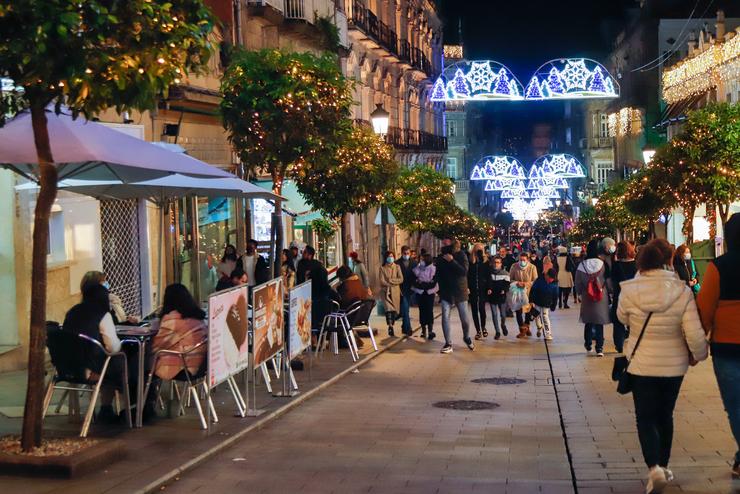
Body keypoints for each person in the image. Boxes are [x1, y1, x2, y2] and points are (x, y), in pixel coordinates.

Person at [617, 238, 708, 492]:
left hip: (641, 365)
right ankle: (663, 465)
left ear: (642, 262)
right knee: (665, 415)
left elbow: (621, 316)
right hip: (674, 366)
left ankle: (654, 467)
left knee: (645, 418)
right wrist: (699, 354)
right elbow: (693, 331)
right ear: (669, 261)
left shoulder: (630, 290)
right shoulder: (681, 291)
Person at [697, 213, 740, 479]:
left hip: (727, 346)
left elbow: (705, 306)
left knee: (736, 405)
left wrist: (697, 340)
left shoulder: (719, 266)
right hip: (726, 347)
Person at [63, 283, 128, 423]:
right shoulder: (102, 315)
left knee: (110, 362)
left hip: (67, 367)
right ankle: (125, 407)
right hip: (92, 369)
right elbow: (113, 347)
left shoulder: (72, 311)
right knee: (120, 360)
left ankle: (107, 409)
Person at [150, 283, 208, 419]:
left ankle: (144, 407)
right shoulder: (197, 316)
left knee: (143, 366)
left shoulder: (173, 319)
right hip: (200, 366)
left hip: (182, 366)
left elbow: (157, 345)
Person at [575, 239, 611, 356]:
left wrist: (579, 293)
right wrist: (609, 291)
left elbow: (578, 282)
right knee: (599, 322)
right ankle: (599, 348)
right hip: (601, 295)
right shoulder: (604, 264)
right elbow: (608, 280)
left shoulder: (582, 265)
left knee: (588, 320)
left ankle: (588, 343)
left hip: (587, 295)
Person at [436, 245, 474, 353]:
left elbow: (464, 272)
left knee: (465, 319)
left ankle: (466, 337)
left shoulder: (461, 256)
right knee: (445, 317)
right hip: (446, 292)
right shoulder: (440, 259)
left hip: (460, 291)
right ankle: (448, 343)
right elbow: (438, 274)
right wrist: (439, 290)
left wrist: (452, 261)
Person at [611, 241, 637, 353]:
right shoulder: (636, 264)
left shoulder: (616, 265)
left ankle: (619, 345)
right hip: (634, 297)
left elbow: (612, 282)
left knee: (618, 322)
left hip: (620, 296)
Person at [509, 251, 538, 338]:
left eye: (524, 260)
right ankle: (522, 329)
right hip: (517, 292)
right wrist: (517, 283)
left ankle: (527, 327)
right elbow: (510, 279)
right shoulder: (514, 266)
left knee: (527, 311)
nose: (522, 261)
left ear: (527, 260)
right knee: (518, 311)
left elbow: (535, 281)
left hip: (528, 293)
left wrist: (525, 284)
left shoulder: (532, 267)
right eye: (520, 259)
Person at [467, 243, 490, 339]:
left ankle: (483, 327)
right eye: (478, 249)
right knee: (474, 310)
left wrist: (489, 287)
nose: (479, 251)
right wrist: (467, 287)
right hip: (472, 288)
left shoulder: (485, 260)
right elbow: (467, 275)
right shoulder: (470, 260)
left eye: (481, 249)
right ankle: (478, 331)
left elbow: (488, 275)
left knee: (482, 308)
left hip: (482, 288)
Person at [412, 253, 438, 340]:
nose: (421, 261)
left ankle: (430, 330)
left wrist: (423, 284)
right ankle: (423, 330)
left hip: (429, 293)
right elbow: (415, 280)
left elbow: (433, 282)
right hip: (420, 292)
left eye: (422, 259)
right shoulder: (418, 268)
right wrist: (421, 284)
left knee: (429, 311)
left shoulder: (433, 269)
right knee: (422, 311)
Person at [529, 268, 559, 340]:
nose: (551, 280)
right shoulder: (539, 280)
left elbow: (556, 296)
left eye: (552, 278)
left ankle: (548, 334)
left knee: (545, 317)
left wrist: (553, 305)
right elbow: (533, 290)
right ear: (547, 275)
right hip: (537, 301)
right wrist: (531, 300)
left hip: (546, 303)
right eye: (550, 278)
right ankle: (539, 327)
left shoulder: (555, 284)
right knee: (536, 316)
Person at [379, 251, 403, 336]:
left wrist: (392, 281)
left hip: (395, 291)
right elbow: (381, 280)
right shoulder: (382, 268)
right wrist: (388, 284)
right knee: (388, 309)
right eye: (389, 256)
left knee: (394, 311)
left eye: (392, 256)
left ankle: (392, 323)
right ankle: (390, 326)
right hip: (385, 292)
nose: (390, 258)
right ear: (386, 258)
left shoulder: (397, 267)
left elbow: (401, 279)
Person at [396, 246, 417, 336]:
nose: (406, 255)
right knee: (405, 308)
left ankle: (404, 327)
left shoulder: (414, 263)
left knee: (405, 309)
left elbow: (417, 275)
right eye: (405, 253)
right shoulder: (397, 263)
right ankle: (408, 328)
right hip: (401, 289)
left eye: (408, 253)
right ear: (401, 253)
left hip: (411, 289)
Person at [487, 256, 509, 339]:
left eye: (498, 262)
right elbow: (488, 282)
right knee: (494, 314)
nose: (496, 264)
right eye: (495, 262)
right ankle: (497, 332)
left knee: (503, 314)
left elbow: (507, 284)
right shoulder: (490, 273)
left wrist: (504, 290)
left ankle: (503, 325)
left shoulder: (505, 273)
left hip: (501, 296)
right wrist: (489, 288)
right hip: (492, 296)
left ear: (501, 264)